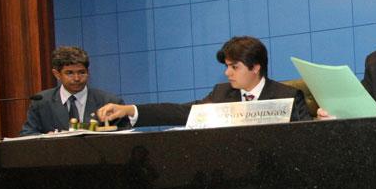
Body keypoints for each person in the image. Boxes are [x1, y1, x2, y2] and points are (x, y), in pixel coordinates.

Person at [97, 36, 310, 126]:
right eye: (226, 66)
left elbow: (306, 137)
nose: (227, 73)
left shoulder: (288, 96)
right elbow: (179, 112)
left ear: (255, 67)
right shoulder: (221, 94)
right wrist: (129, 110)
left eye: (234, 67)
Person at [20, 46, 127, 135]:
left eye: (81, 72)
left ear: (88, 72)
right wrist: (45, 139)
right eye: (69, 73)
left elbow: (124, 138)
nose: (77, 78)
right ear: (57, 74)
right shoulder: (41, 102)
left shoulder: (109, 102)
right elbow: (27, 135)